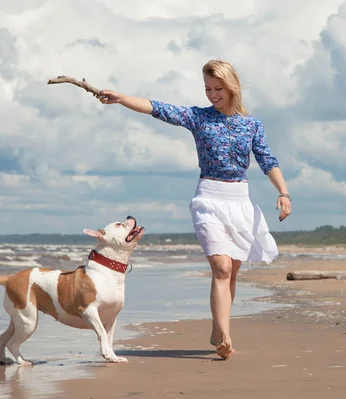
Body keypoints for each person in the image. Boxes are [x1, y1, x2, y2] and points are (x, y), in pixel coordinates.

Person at [93, 59, 292, 359]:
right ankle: (224, 337)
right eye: (207, 89)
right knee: (222, 268)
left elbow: (267, 160)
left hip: (240, 201)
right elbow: (158, 108)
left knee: (232, 272)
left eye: (218, 88)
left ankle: (219, 327)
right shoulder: (199, 118)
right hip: (208, 199)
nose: (212, 94)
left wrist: (284, 193)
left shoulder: (252, 125)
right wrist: (121, 98)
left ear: (232, 87)